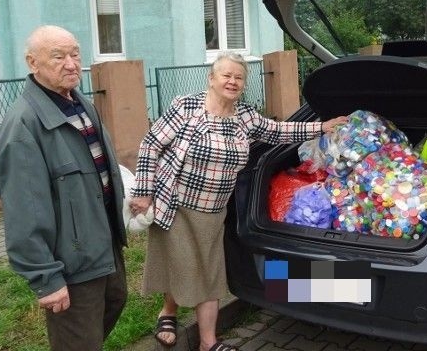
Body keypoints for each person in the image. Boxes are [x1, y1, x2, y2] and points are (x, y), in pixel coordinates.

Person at [129, 51, 347, 350]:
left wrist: (320, 127)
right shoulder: (186, 106)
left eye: (238, 77)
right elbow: (151, 144)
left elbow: (279, 131)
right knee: (183, 266)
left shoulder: (245, 116)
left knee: (208, 272)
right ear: (212, 78)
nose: (232, 81)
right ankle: (180, 320)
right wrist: (143, 190)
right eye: (226, 75)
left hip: (214, 210)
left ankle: (197, 334)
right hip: (177, 203)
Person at [0, 25, 128, 350]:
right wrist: (46, 278)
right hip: (71, 261)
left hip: (103, 242)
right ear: (32, 63)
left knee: (113, 304)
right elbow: (24, 211)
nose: (71, 63)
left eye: (75, 53)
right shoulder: (24, 125)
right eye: (58, 56)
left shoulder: (79, 103)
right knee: (77, 341)